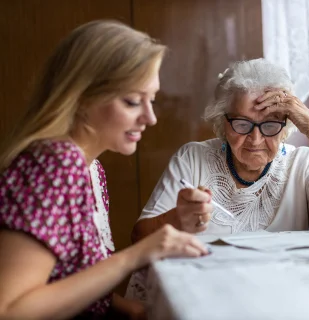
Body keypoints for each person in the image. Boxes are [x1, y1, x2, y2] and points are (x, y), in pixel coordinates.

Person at [0, 20, 212, 319]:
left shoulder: (91, 170)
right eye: (132, 101)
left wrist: (136, 312)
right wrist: (135, 256)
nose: (150, 118)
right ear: (83, 96)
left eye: (151, 100)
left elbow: (66, 281)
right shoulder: (54, 165)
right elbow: (10, 310)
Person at [125, 58, 309, 300]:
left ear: (285, 125)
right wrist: (177, 219)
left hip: (278, 295)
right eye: (242, 124)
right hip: (201, 294)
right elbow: (140, 237)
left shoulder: (300, 164)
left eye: (269, 125)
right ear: (223, 122)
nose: (255, 139)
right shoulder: (193, 158)